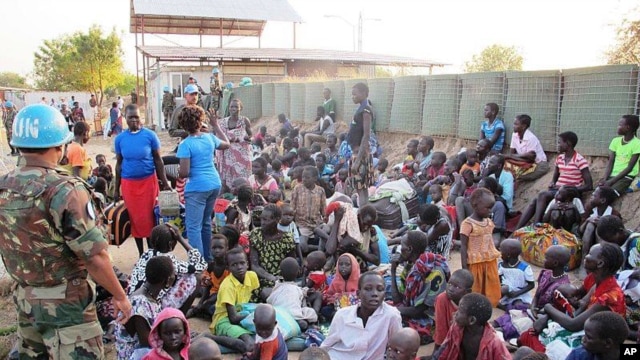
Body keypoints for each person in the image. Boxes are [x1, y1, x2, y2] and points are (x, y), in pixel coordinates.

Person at [0, 104, 132, 359]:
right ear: (60, 147)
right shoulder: (66, 190)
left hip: (26, 300)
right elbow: (94, 256)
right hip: (67, 307)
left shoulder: (5, 186)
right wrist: (120, 295)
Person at [518, 243, 626, 352]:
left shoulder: (610, 297)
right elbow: (576, 298)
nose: (586, 257)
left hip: (600, 341)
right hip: (589, 328)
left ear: (600, 263)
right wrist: (548, 315)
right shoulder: (594, 279)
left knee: (536, 340)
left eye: (589, 254)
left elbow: (573, 325)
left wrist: (548, 308)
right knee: (532, 334)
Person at [115, 104, 171, 256]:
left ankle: (152, 253)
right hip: (129, 186)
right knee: (135, 220)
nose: (134, 120)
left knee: (150, 218)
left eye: (136, 117)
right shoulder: (120, 139)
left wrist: (165, 183)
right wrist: (115, 189)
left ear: (141, 118)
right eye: (130, 117)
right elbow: (119, 164)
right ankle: (141, 254)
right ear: (125, 118)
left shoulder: (150, 135)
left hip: (148, 183)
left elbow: (158, 160)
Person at [177, 105, 230, 260]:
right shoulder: (209, 138)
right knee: (205, 222)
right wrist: (216, 125)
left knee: (193, 226)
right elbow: (227, 144)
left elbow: (185, 172)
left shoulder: (185, 144)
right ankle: (208, 259)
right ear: (201, 121)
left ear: (183, 125)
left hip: (197, 188)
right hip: (214, 183)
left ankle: (198, 264)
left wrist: (175, 173)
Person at [516, 131, 592, 228]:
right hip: (557, 190)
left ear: (568, 144)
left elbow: (589, 185)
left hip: (569, 193)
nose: (558, 145)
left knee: (542, 195)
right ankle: (517, 229)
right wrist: (552, 183)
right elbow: (555, 177)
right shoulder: (559, 158)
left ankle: (536, 225)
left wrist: (571, 189)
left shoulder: (580, 160)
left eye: (560, 142)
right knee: (535, 201)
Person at [321, 272, 402, 360]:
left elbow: (397, 346)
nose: (375, 293)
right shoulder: (342, 314)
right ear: (358, 294)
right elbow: (328, 344)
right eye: (368, 289)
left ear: (384, 294)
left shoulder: (391, 315)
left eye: (380, 289)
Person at [128, 224, 207, 312]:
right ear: (170, 244)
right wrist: (181, 239)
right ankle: (180, 316)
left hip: (133, 300)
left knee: (174, 275)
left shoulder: (145, 254)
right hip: (150, 306)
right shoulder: (168, 261)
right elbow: (201, 264)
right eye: (175, 241)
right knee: (196, 277)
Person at [390, 230, 450, 343]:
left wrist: (390, 311)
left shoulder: (433, 272)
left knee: (394, 330)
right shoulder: (412, 267)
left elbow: (419, 311)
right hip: (412, 312)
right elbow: (398, 300)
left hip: (430, 320)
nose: (399, 248)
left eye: (401, 245)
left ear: (409, 249)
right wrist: (393, 271)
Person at [115, 256, 175, 360]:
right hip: (134, 355)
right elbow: (147, 343)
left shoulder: (148, 295)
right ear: (168, 280)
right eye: (174, 274)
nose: (175, 276)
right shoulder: (139, 303)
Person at [210, 247, 259, 354]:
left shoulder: (252, 276)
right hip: (224, 320)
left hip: (242, 313)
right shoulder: (227, 286)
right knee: (249, 344)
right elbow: (233, 318)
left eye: (242, 263)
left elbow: (254, 298)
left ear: (247, 264)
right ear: (228, 268)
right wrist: (254, 315)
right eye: (234, 265)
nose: (239, 267)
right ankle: (210, 337)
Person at [433, 293, 510, 360]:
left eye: (460, 311)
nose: (455, 313)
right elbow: (443, 350)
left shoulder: (494, 343)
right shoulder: (457, 328)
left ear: (472, 320)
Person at [459, 188, 502, 307]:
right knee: (476, 286)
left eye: (491, 208)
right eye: (487, 208)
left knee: (491, 284)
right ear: (475, 205)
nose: (490, 211)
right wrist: (464, 268)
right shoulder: (468, 224)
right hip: (475, 262)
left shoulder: (488, 221)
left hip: (489, 261)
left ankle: (490, 304)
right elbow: (463, 246)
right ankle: (475, 306)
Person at [249, 204, 297, 300]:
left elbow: (292, 263)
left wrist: (283, 280)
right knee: (267, 293)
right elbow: (254, 265)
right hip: (263, 279)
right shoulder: (256, 235)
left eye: (266, 220)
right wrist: (271, 277)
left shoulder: (287, 239)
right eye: (262, 219)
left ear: (277, 219)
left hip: (282, 279)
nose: (262, 222)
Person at [267, 257, 318, 330]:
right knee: (310, 312)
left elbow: (270, 299)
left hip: (279, 315)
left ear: (280, 273)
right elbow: (301, 296)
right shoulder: (296, 289)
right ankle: (302, 322)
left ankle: (297, 322)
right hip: (294, 315)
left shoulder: (277, 286)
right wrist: (307, 291)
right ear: (298, 273)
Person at [433, 269, 474, 354]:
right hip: (448, 342)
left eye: (457, 287)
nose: (450, 289)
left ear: (468, 291)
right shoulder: (442, 299)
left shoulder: (472, 303)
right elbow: (441, 329)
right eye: (449, 284)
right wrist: (437, 353)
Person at [189, 234, 230, 319]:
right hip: (213, 295)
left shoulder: (229, 267)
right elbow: (207, 287)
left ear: (227, 249)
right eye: (214, 248)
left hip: (227, 297)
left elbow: (225, 290)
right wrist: (201, 302)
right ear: (210, 249)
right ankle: (200, 309)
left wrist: (204, 303)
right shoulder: (211, 266)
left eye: (220, 248)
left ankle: (197, 310)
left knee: (215, 309)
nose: (217, 251)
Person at [599, 114, 640, 194]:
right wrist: (605, 178)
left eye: (620, 125)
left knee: (607, 194)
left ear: (628, 127)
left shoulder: (637, 144)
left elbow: (630, 168)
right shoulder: (615, 141)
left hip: (626, 177)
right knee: (598, 191)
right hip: (612, 175)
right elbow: (611, 162)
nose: (617, 127)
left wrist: (611, 181)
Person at [348, 82, 374, 206]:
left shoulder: (366, 111)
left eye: (355, 94)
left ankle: (363, 215)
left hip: (361, 154)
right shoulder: (361, 109)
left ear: (364, 93)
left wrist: (357, 161)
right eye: (352, 94)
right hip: (358, 153)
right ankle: (364, 215)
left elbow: (366, 136)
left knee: (361, 189)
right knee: (361, 189)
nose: (353, 96)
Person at [217, 99, 253, 190]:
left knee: (242, 177)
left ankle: (243, 193)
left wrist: (248, 139)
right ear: (229, 108)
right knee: (228, 175)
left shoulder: (244, 121)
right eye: (232, 106)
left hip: (242, 155)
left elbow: (251, 135)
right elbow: (218, 136)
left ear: (241, 108)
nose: (233, 108)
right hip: (227, 153)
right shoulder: (223, 122)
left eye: (236, 106)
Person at [291, 166, 327, 253]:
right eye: (303, 177)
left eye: (307, 177)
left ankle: (320, 248)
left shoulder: (320, 191)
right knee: (302, 245)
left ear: (315, 178)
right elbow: (292, 207)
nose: (304, 179)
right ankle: (318, 249)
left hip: (317, 224)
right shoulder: (298, 189)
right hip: (302, 225)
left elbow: (324, 210)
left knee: (326, 231)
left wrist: (325, 218)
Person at [529, 245, 571, 318]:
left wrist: (537, 313)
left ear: (555, 263)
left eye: (546, 258)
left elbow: (557, 309)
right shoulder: (545, 273)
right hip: (536, 310)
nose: (543, 260)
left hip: (547, 317)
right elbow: (537, 295)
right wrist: (533, 307)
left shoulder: (563, 286)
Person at [504, 114, 549, 181]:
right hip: (523, 160)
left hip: (538, 164)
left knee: (516, 174)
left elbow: (530, 158)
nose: (513, 126)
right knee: (503, 165)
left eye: (516, 124)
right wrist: (510, 157)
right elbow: (512, 152)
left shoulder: (531, 138)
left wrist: (510, 156)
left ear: (524, 126)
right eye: (514, 124)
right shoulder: (514, 135)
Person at [497, 238, 535, 310]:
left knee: (518, 305)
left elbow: (531, 285)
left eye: (501, 252)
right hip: (506, 292)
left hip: (519, 293)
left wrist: (516, 294)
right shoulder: (501, 265)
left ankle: (509, 308)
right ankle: (508, 307)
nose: (500, 254)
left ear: (508, 255)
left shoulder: (524, 268)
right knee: (496, 296)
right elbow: (499, 280)